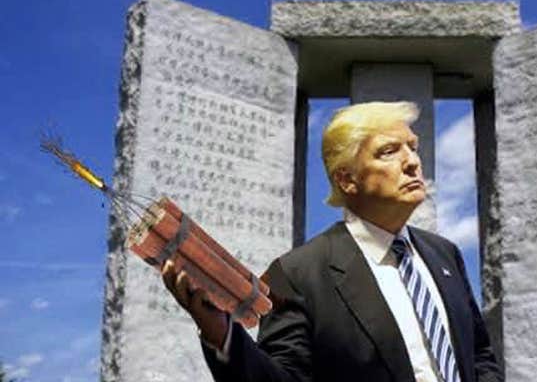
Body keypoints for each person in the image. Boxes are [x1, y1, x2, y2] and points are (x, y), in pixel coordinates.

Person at [161, 101, 503, 382]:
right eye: (389, 151)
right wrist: (222, 335)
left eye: (412, 148)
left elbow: (479, 357)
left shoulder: (445, 255)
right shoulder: (295, 274)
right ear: (347, 180)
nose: (413, 162)